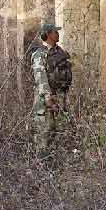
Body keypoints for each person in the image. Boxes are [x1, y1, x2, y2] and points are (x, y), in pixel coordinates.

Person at [31, 23, 73, 157]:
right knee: (44, 132)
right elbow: (40, 76)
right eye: (55, 31)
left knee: (60, 131)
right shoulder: (40, 54)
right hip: (45, 100)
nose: (58, 34)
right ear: (48, 34)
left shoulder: (59, 52)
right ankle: (42, 165)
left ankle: (58, 163)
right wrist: (48, 97)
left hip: (60, 97)